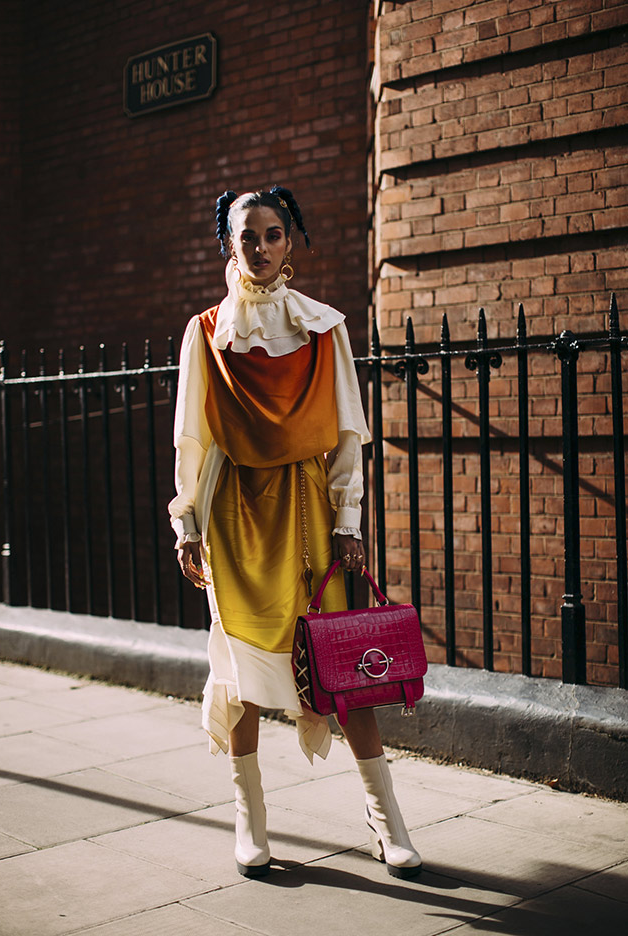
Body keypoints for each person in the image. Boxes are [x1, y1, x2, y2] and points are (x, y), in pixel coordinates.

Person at [168, 186, 421, 880]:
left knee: (346, 672)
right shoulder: (205, 331)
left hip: (311, 513)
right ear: (228, 242)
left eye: (272, 233)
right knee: (246, 673)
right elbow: (194, 438)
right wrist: (185, 519)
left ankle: (387, 826)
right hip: (236, 515)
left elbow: (346, 433)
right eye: (246, 236)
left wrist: (349, 520)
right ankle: (250, 825)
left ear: (290, 240)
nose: (259, 246)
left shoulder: (324, 328)